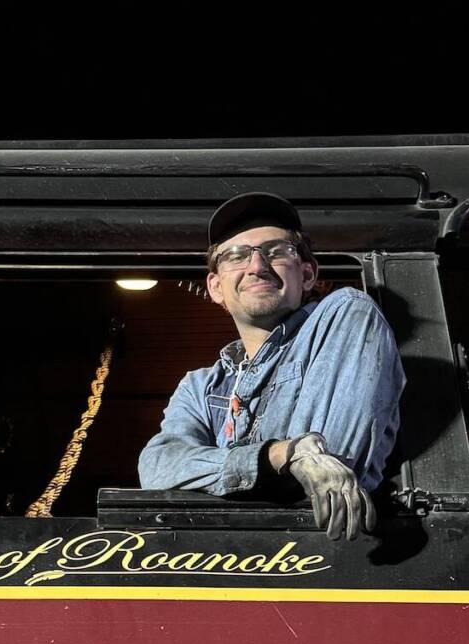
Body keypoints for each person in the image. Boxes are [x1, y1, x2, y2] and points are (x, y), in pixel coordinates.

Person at [138, 192, 405, 540]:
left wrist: (218, 471)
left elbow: (328, 470)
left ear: (307, 274)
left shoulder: (347, 316)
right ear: (216, 287)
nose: (256, 266)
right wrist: (282, 454)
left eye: (276, 252)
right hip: (230, 558)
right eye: (236, 256)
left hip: (323, 549)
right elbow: (157, 468)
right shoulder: (201, 387)